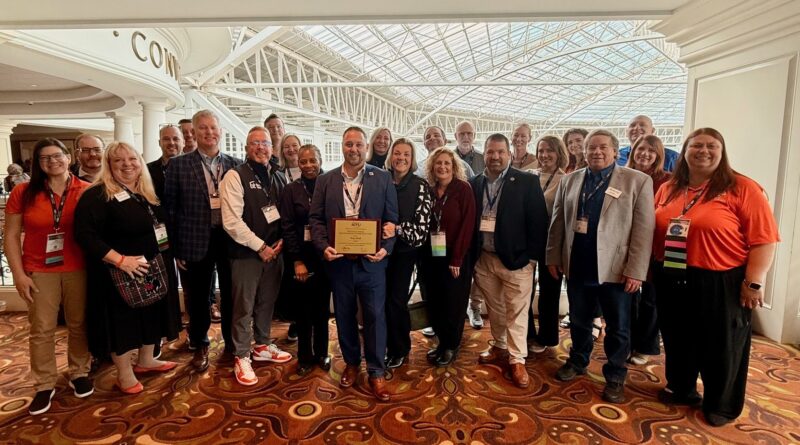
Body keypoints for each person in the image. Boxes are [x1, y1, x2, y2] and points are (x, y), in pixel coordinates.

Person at [652, 128, 778, 427]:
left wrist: (754, 282)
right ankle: (681, 387)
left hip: (720, 280)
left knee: (721, 343)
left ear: (722, 153)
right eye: (696, 146)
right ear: (684, 151)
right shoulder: (670, 187)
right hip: (672, 273)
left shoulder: (743, 188)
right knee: (677, 336)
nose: (703, 151)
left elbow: (764, 240)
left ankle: (721, 403)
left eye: (711, 146)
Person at [546, 129, 654, 404]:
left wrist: (636, 271)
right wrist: (553, 257)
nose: (596, 152)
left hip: (616, 270)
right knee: (580, 320)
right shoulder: (570, 180)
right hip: (578, 265)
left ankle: (616, 375)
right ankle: (578, 360)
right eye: (590, 147)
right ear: (583, 151)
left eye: (602, 147)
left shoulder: (637, 181)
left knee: (618, 327)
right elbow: (557, 222)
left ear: (615, 152)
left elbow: (643, 230)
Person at [74, 141, 181, 395]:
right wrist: (121, 260)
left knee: (151, 314)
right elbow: (85, 235)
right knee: (122, 322)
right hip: (118, 272)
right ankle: (124, 374)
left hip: (151, 267)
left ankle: (146, 360)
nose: (127, 165)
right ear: (109, 165)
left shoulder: (146, 190)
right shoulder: (98, 195)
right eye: (119, 160)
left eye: (132, 159)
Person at [309, 126, 399, 401]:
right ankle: (351, 363)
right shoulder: (326, 181)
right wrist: (324, 247)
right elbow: (315, 219)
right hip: (339, 264)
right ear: (342, 147)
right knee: (344, 315)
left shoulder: (382, 178)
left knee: (375, 316)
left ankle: (376, 371)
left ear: (366, 147)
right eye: (349, 144)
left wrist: (385, 249)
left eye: (359, 144)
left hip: (372, 264)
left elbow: (391, 221)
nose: (354, 149)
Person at [4, 138, 93, 415]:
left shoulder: (86, 190)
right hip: (39, 270)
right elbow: (9, 235)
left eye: (57, 156)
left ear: (69, 158)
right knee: (41, 328)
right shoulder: (23, 192)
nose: (52, 161)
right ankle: (44, 383)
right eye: (45, 158)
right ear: (38, 164)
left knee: (79, 324)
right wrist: (18, 273)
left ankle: (79, 371)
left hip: (79, 267)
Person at [164, 109, 241, 372]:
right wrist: (176, 248)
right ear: (194, 133)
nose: (209, 132)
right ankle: (200, 343)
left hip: (230, 239)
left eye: (213, 127)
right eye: (203, 128)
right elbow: (171, 209)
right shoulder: (179, 165)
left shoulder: (235, 164)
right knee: (197, 298)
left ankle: (232, 343)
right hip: (195, 240)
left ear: (221, 131)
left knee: (231, 293)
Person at [471, 134, 548, 388]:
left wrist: (531, 260)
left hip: (517, 261)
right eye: (490, 152)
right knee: (495, 309)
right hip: (485, 259)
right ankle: (500, 346)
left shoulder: (526, 181)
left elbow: (538, 223)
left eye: (500, 152)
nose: (495, 157)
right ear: (485, 153)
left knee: (517, 311)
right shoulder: (475, 183)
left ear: (508, 154)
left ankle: (517, 359)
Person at [220, 126, 291, 386]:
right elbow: (231, 221)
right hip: (247, 254)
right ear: (247, 148)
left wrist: (281, 242)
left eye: (266, 143)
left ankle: (262, 345)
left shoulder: (278, 175)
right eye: (255, 143)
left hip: (275, 253)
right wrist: (261, 247)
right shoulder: (235, 176)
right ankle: (241, 355)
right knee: (243, 306)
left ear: (272, 148)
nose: (261, 147)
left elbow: (284, 213)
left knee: (266, 303)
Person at [279, 144, 332, 376]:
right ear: (297, 163)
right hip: (302, 256)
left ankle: (322, 353)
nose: (308, 165)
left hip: (327, 255)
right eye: (304, 161)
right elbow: (288, 227)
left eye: (313, 160)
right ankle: (305, 356)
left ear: (320, 159)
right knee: (303, 310)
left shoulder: (331, 184)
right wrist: (296, 260)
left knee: (322, 309)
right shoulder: (291, 190)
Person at [421, 147, 476, 367]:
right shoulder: (429, 189)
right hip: (432, 255)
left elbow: (467, 225)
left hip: (456, 256)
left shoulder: (463, 189)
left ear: (454, 167)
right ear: (432, 168)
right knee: (436, 301)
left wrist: (457, 259)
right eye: (438, 163)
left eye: (446, 163)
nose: (442, 167)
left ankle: (451, 345)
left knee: (454, 302)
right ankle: (442, 343)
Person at [384, 138, 432, 369]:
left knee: (396, 301)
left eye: (406, 154)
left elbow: (421, 232)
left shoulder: (420, 185)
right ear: (390, 156)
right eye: (397, 153)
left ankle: (399, 349)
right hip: (379, 252)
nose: (401, 158)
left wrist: (398, 229)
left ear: (412, 159)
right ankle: (384, 344)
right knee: (379, 301)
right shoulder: (381, 180)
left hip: (404, 253)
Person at [625, 134, 671, 366]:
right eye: (641, 149)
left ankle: (645, 346)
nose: (645, 154)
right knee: (628, 297)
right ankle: (628, 342)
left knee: (651, 299)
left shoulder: (668, 181)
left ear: (658, 156)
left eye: (651, 151)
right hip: (627, 246)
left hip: (655, 247)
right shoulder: (622, 176)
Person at [527, 135, 568, 354]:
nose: (544, 155)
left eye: (549, 150)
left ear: (559, 153)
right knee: (524, 292)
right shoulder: (528, 176)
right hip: (528, 243)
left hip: (552, 244)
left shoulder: (566, 180)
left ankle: (547, 337)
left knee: (550, 292)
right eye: (541, 150)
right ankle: (527, 335)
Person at [454, 121, 487, 330]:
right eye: (462, 133)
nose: (466, 137)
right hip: (455, 225)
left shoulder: (484, 159)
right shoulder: (447, 158)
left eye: (469, 133)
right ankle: (457, 309)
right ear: (455, 136)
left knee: (478, 270)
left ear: (474, 136)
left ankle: (474, 307)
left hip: (481, 223)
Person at [147, 124, 184, 200]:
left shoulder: (196, 167)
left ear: (183, 142)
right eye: (166, 139)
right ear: (159, 143)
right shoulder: (147, 170)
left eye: (176, 139)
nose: (171, 143)